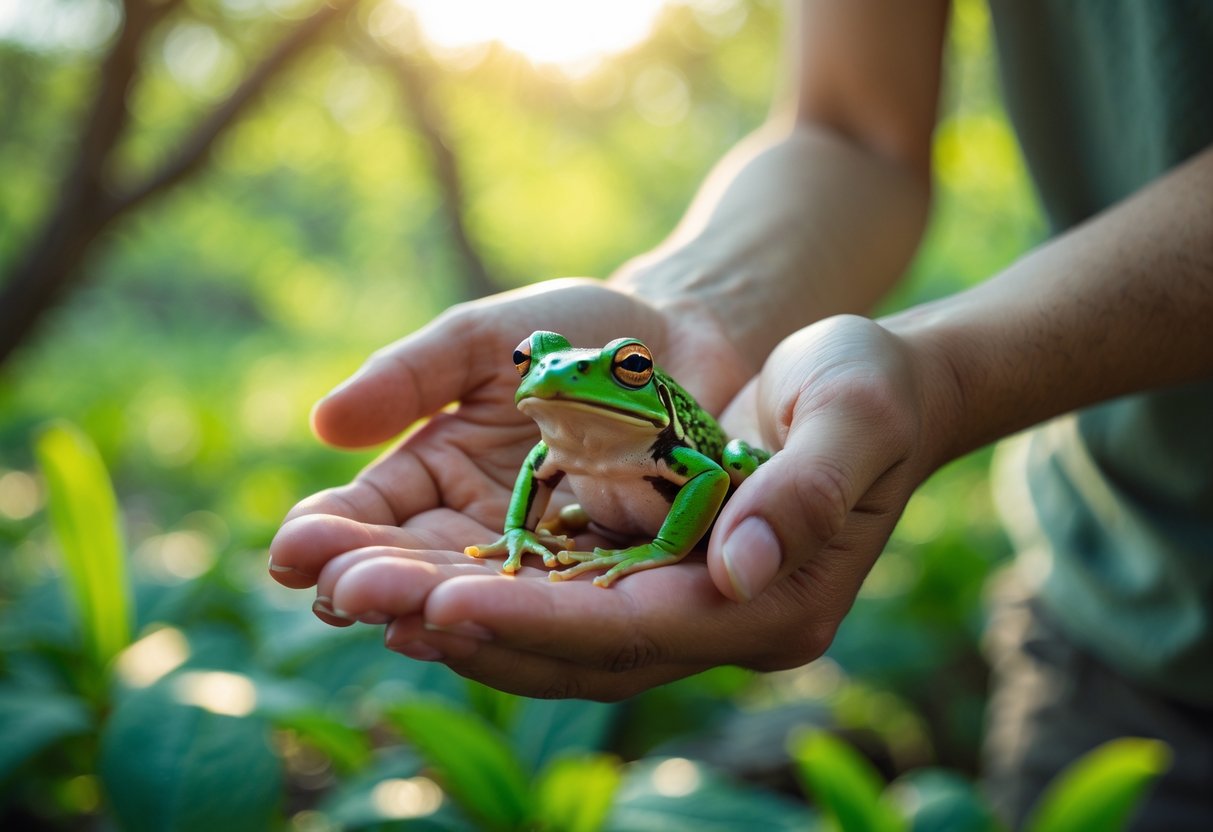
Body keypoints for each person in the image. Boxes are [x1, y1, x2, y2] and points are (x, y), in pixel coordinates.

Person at [269, 1, 1213, 827]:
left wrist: (943, 376)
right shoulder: (547, 443)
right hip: (1119, 603)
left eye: (628, 367)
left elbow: (716, 473)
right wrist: (694, 305)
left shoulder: (669, 444)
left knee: (745, 471)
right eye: (534, 366)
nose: (546, 378)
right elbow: (850, 129)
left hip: (729, 465)